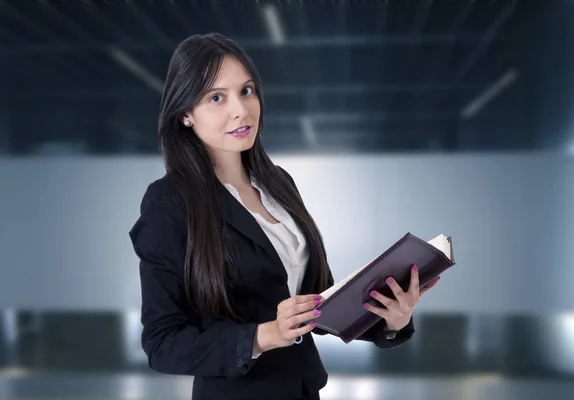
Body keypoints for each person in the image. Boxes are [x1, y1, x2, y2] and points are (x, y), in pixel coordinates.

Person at [128, 33, 440, 400]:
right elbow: (162, 343)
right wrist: (267, 335)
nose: (240, 110)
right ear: (185, 115)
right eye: (216, 98)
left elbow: (316, 301)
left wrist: (390, 320)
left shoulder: (278, 182)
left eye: (246, 91)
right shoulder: (169, 203)